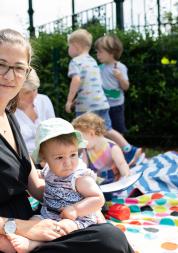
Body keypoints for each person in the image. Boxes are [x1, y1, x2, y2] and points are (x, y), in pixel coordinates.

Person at [0, 28, 134, 253]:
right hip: (10, 235)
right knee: (108, 242)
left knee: (110, 236)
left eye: (19, 68)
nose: (10, 75)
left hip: (37, 224)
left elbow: (37, 186)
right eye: (1, 64)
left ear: (27, 72)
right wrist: (22, 229)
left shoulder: (10, 117)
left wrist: (81, 197)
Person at [6, 117, 105, 253]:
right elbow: (39, 175)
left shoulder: (79, 177)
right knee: (32, 221)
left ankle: (33, 245)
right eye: (59, 157)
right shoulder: (49, 170)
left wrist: (76, 209)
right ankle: (25, 239)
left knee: (63, 228)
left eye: (73, 155)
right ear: (44, 159)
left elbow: (98, 198)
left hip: (77, 218)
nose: (68, 162)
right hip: (48, 213)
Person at [65, 28, 142, 166]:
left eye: (69, 46)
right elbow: (93, 85)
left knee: (80, 133)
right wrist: (79, 98)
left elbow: (76, 80)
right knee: (107, 129)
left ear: (75, 45)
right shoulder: (93, 62)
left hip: (86, 107)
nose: (68, 49)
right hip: (101, 103)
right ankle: (129, 149)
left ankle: (80, 164)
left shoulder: (75, 62)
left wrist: (70, 100)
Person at [72, 112, 130, 184]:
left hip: (115, 184)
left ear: (91, 133)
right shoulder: (86, 150)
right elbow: (83, 167)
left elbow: (122, 164)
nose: (80, 143)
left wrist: (126, 179)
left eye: (81, 139)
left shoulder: (112, 148)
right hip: (98, 186)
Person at [15, 68, 55, 155]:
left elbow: (54, 131)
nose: (33, 96)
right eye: (27, 92)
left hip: (50, 156)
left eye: (35, 90)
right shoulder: (8, 112)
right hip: (25, 160)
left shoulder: (44, 100)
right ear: (15, 92)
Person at [95, 34, 129, 134]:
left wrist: (120, 77)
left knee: (118, 129)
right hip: (102, 105)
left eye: (100, 52)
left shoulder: (120, 67)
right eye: (97, 52)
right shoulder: (99, 68)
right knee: (103, 130)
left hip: (116, 105)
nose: (97, 55)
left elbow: (125, 87)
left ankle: (120, 148)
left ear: (112, 52)